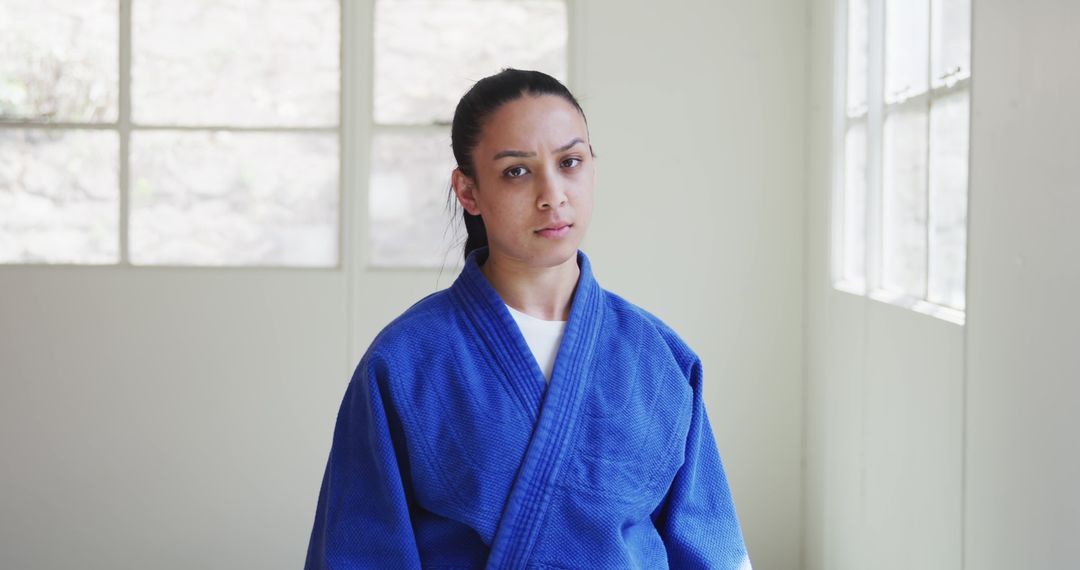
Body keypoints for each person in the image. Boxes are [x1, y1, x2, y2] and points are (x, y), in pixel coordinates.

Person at [305, 68, 751, 569]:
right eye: (517, 170)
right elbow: (360, 552)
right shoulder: (404, 362)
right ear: (468, 192)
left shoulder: (662, 358)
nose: (553, 194)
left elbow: (712, 547)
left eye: (571, 162)